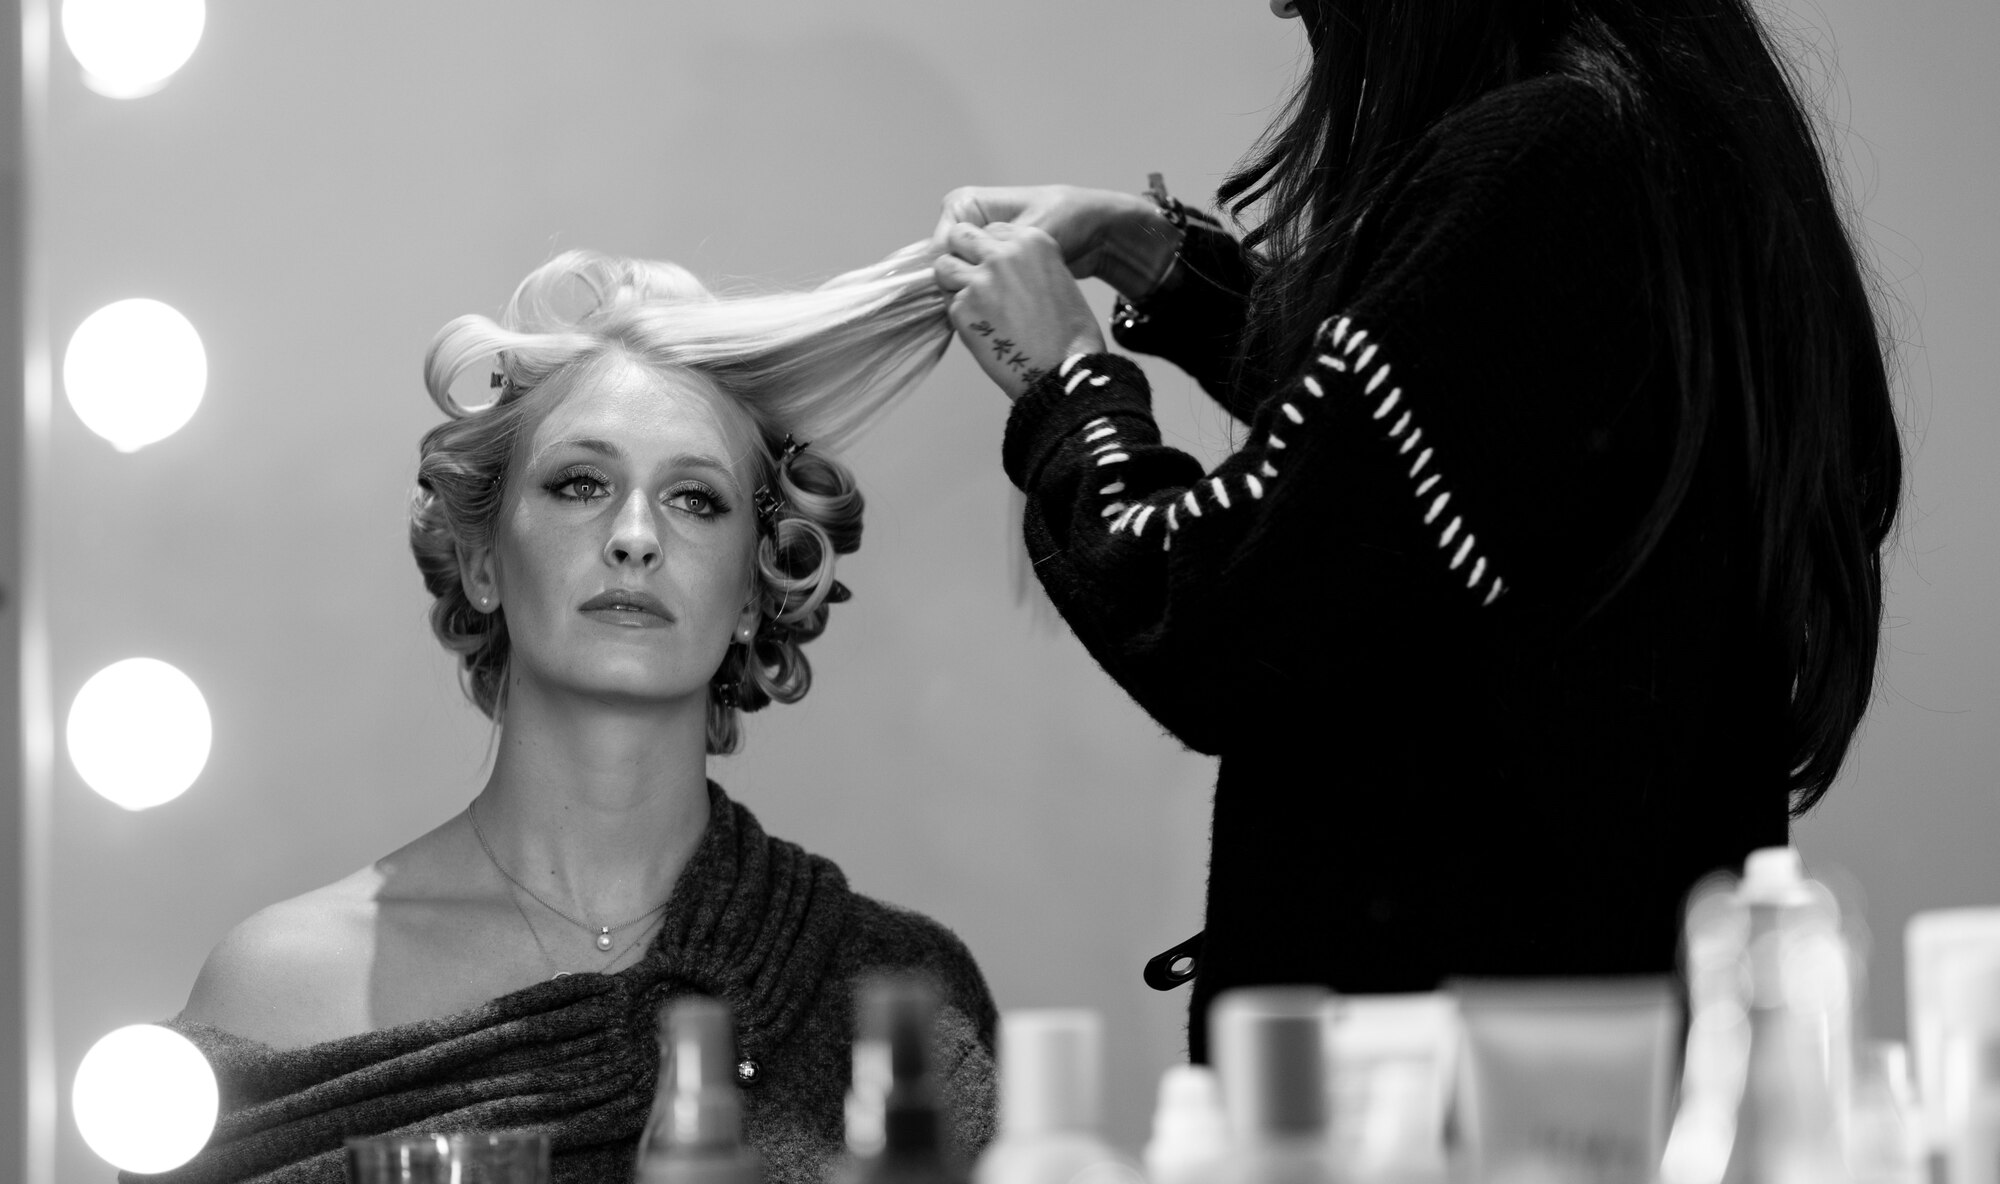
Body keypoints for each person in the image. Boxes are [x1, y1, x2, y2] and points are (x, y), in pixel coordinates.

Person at [931, 0, 1902, 1061]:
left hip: (1451, 1091)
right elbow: (1427, 458)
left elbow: (1215, 616)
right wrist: (1163, 265)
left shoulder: (1546, 163)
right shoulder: (1657, 135)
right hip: (1586, 1058)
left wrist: (1069, 381)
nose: (1281, 2)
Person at [143, 243, 995, 1184]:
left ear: (756, 589)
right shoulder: (279, 989)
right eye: (580, 484)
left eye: (695, 499)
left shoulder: (894, 995)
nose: (635, 538)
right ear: (483, 561)